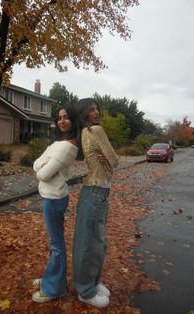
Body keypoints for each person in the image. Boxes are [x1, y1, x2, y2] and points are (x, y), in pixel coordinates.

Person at [73, 98, 119, 308]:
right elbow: (115, 160)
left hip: (96, 192)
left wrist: (105, 160)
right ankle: (85, 290)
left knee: (96, 242)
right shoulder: (95, 131)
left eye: (97, 108)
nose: (96, 112)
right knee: (91, 243)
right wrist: (106, 159)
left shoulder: (85, 133)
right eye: (91, 110)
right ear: (84, 114)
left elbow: (107, 161)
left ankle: (93, 282)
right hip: (95, 191)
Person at [32, 106, 79, 303]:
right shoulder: (57, 143)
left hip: (54, 200)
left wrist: (43, 166)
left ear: (74, 120)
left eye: (66, 118)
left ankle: (54, 289)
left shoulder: (68, 146)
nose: (62, 121)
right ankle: (52, 278)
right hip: (50, 198)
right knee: (55, 243)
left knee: (57, 245)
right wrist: (43, 165)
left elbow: (42, 173)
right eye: (59, 118)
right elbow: (36, 164)